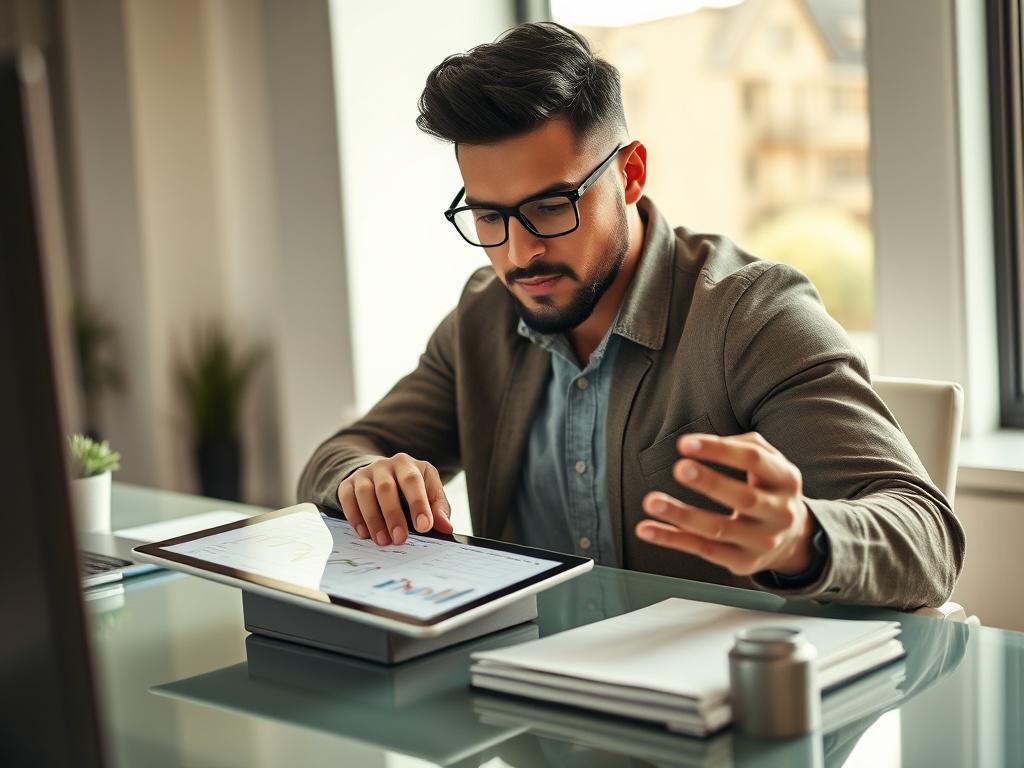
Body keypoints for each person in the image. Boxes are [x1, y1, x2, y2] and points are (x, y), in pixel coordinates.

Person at [297, 22, 964, 609]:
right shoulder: (483, 318)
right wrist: (366, 478)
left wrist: (800, 538)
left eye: (553, 206)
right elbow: (339, 454)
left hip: (720, 723)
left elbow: (928, 542)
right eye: (489, 216)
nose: (521, 251)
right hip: (530, 708)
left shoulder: (751, 315)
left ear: (631, 174)